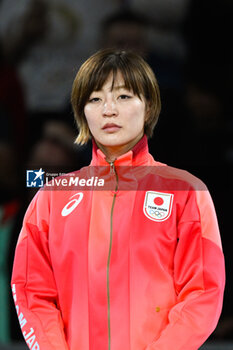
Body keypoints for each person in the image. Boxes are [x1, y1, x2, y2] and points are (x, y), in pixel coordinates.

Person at [11, 49, 225, 350]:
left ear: (148, 107)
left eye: (123, 97)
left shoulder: (188, 192)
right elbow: (32, 292)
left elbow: (202, 293)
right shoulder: (51, 198)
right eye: (95, 99)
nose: (108, 109)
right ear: (82, 112)